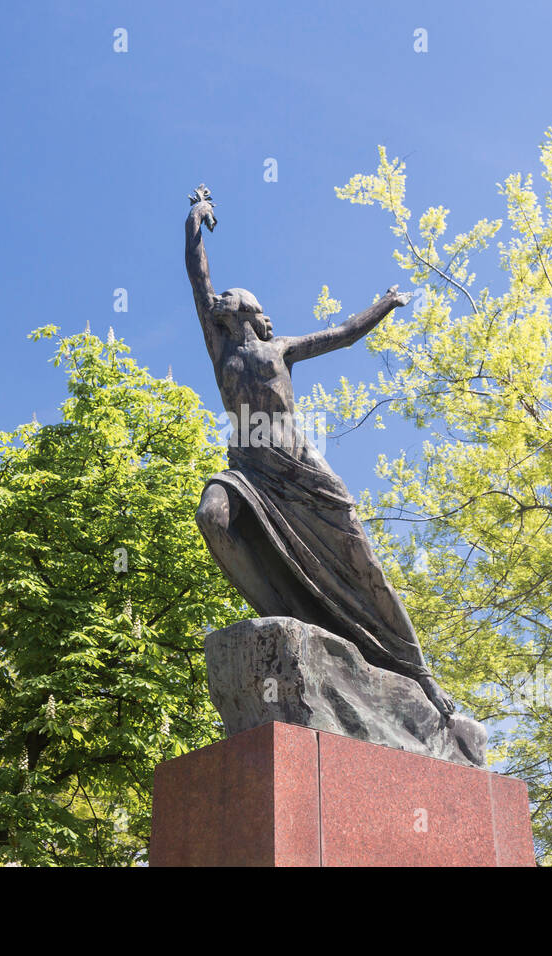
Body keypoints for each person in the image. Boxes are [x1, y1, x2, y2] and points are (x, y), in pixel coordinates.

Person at [184, 185, 455, 717]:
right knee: (212, 516)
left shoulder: (279, 349)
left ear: (253, 311)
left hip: (301, 474)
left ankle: (417, 670)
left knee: (366, 568)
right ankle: (285, 613)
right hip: (249, 471)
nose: (220, 300)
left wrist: (386, 303)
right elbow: (197, 276)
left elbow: (344, 335)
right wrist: (196, 217)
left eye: (231, 297)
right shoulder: (220, 348)